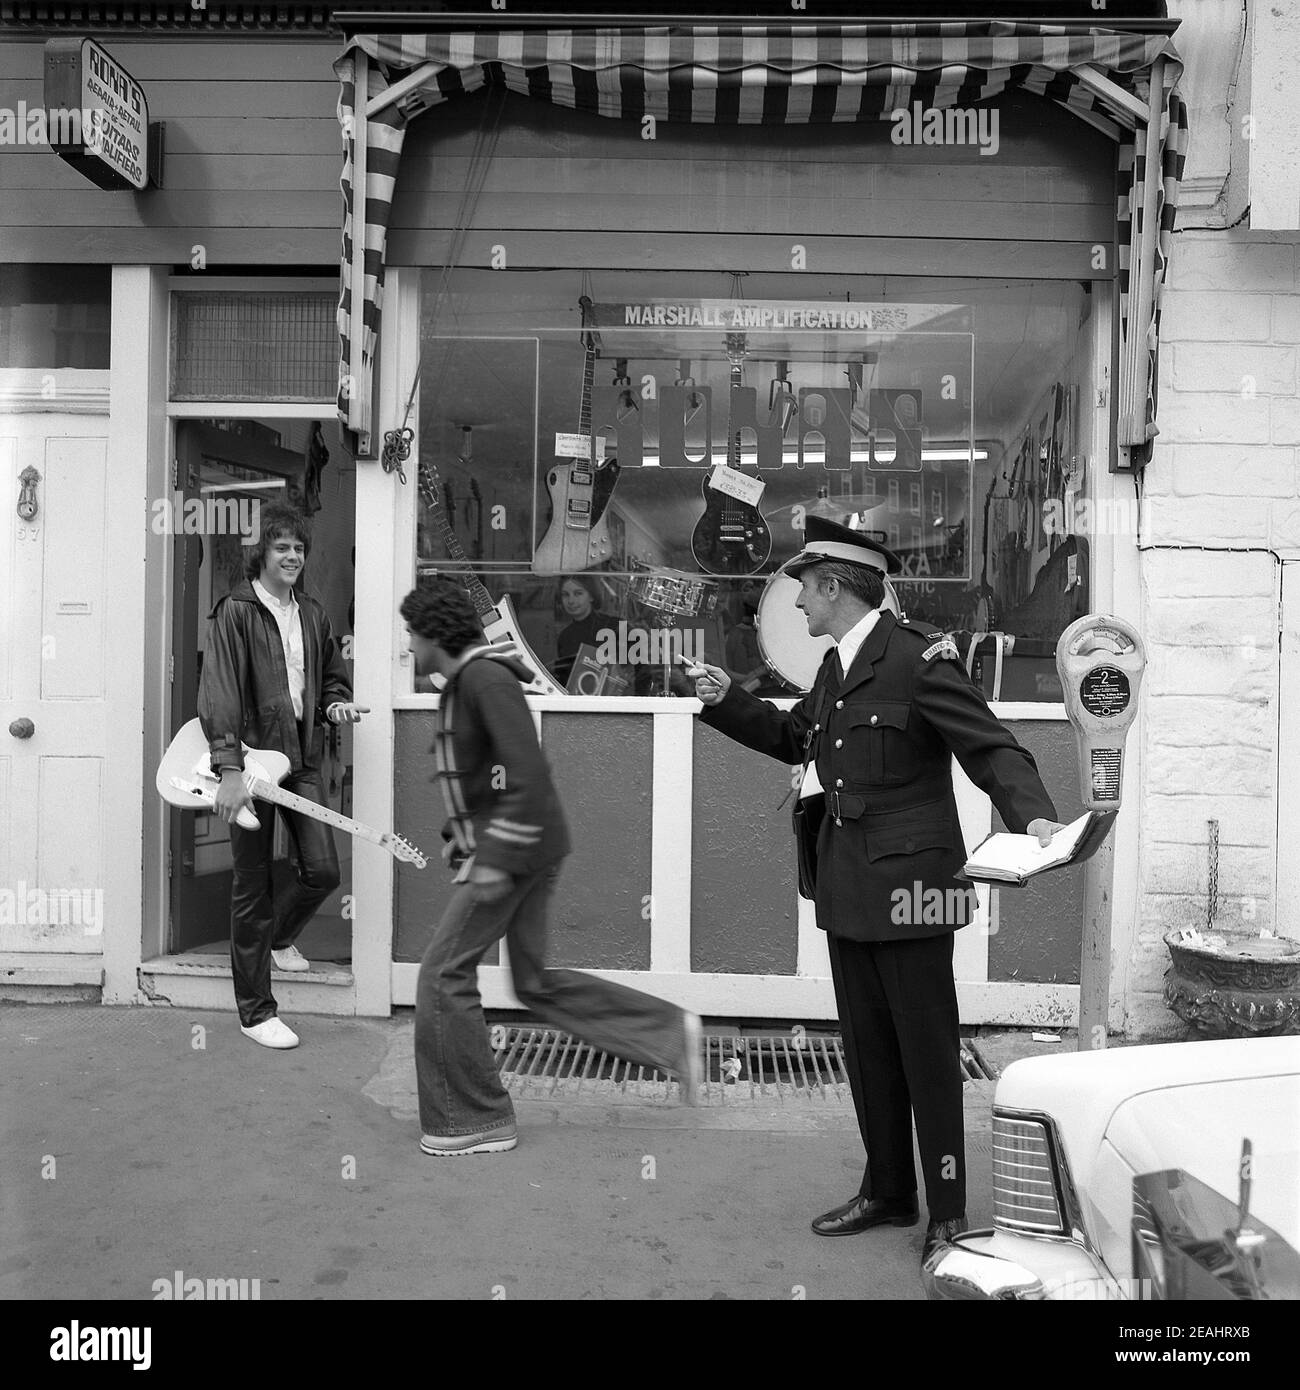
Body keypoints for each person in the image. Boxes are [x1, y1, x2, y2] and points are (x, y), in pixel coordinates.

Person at [687, 516, 1062, 1267]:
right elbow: (801, 739)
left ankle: (949, 1213)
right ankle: (890, 1191)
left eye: (804, 591)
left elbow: (988, 745)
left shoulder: (919, 659)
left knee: (927, 1056)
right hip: (846, 884)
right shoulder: (837, 666)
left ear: (834, 587)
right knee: (867, 1052)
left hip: (915, 891)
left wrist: (1037, 817)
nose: (796, 606)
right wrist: (728, 699)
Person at [401, 580, 702, 1156]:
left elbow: (526, 775)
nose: (409, 646)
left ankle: (473, 1119)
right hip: (524, 849)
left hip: (512, 855)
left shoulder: (482, 680)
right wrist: (463, 842)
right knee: (534, 983)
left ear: (435, 634)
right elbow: (479, 784)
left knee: (441, 977)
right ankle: (668, 1035)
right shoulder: (474, 679)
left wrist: (489, 858)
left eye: (412, 633)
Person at [198, 504, 367, 1050]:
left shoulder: (314, 615)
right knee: (251, 884)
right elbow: (220, 691)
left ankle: (279, 938)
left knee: (322, 869)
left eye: (299, 548)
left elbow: (331, 680)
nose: (292, 556)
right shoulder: (236, 612)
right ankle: (255, 1011)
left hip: (303, 759)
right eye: (282, 548)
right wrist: (227, 769)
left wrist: (335, 706)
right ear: (261, 554)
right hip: (248, 761)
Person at [553, 574, 618, 687]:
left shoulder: (612, 626)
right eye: (565, 595)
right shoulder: (565, 636)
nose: (571, 601)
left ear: (592, 596)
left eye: (578, 593)